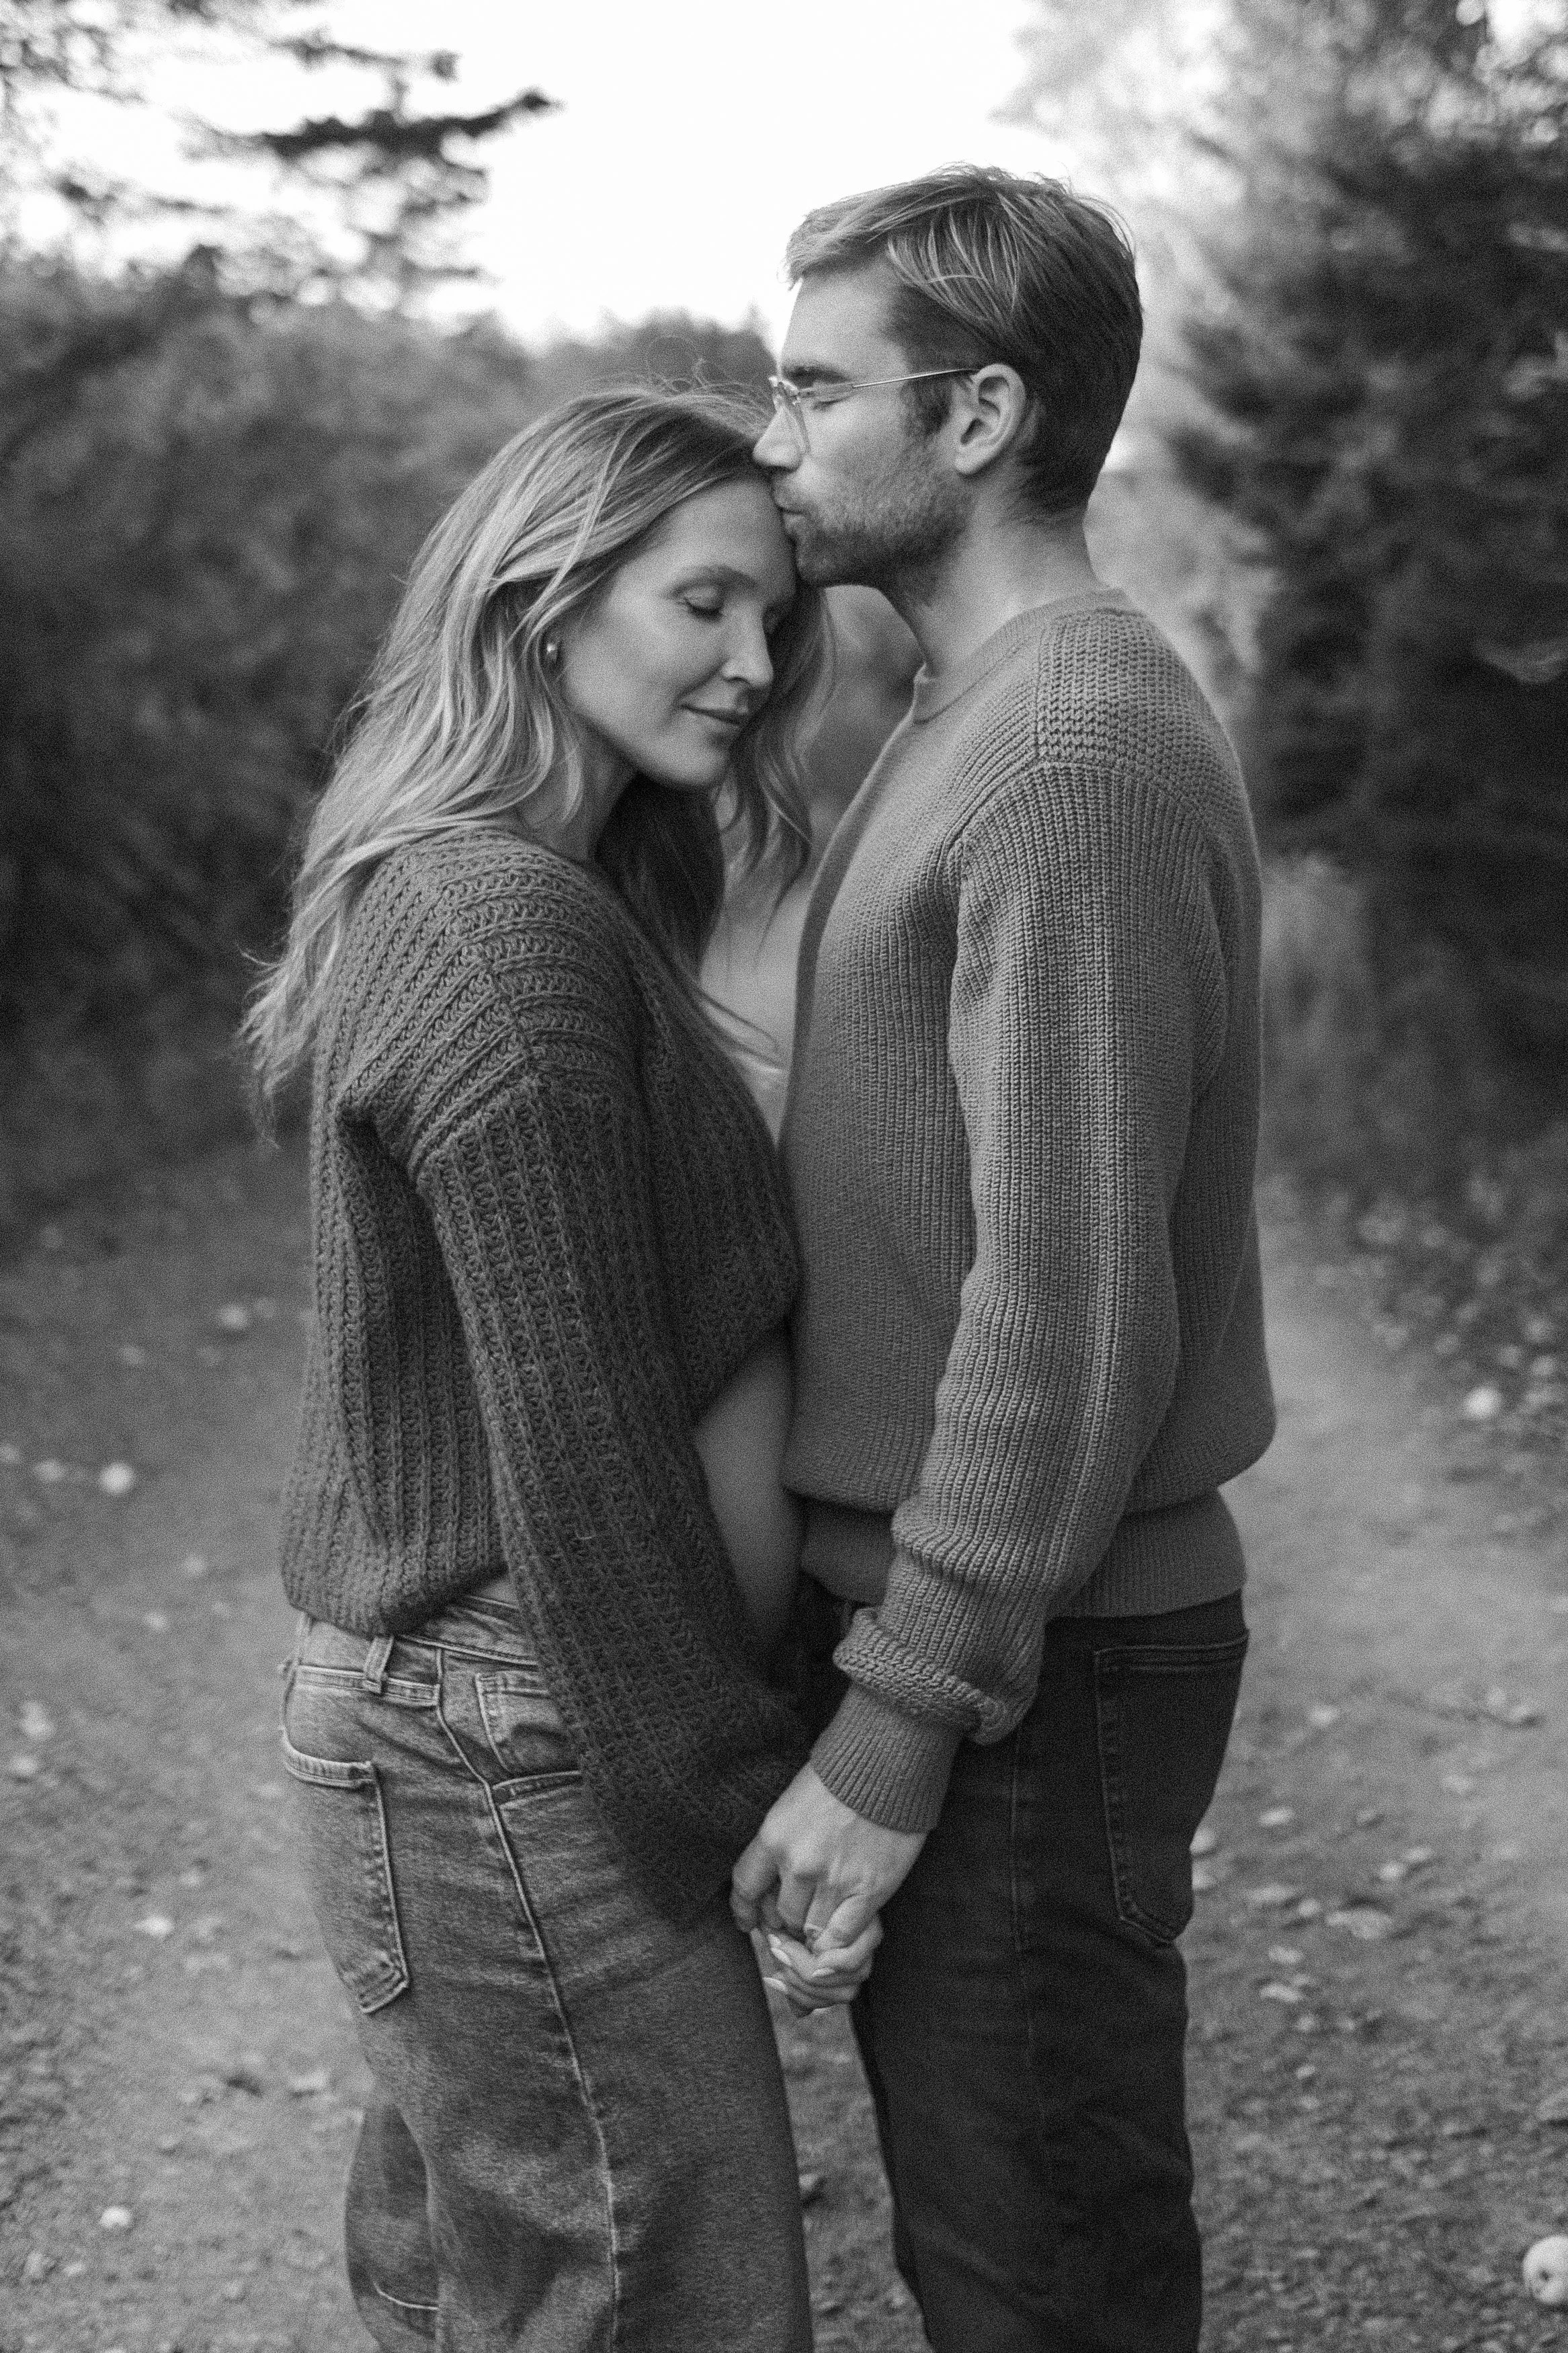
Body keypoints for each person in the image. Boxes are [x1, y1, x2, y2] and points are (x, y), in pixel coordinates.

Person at [243, 385, 877, 2353]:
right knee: (657, 2295)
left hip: (517, 1727)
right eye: (705, 604)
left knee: (507, 2284)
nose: (754, 666)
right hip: (519, 1735)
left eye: (776, 621)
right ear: (544, 588)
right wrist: (737, 1795)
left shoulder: (541, 895)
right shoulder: (493, 923)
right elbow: (585, 1451)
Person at [731, 167, 1278, 2352]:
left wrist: (898, 1725)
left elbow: (1062, 1313)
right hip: (1003, 1646)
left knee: (1041, 2270)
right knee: (998, 2235)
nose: (774, 443)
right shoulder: (977, 711)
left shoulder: (1060, 750)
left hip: (1041, 1666)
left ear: (973, 421)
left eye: (807, 391)